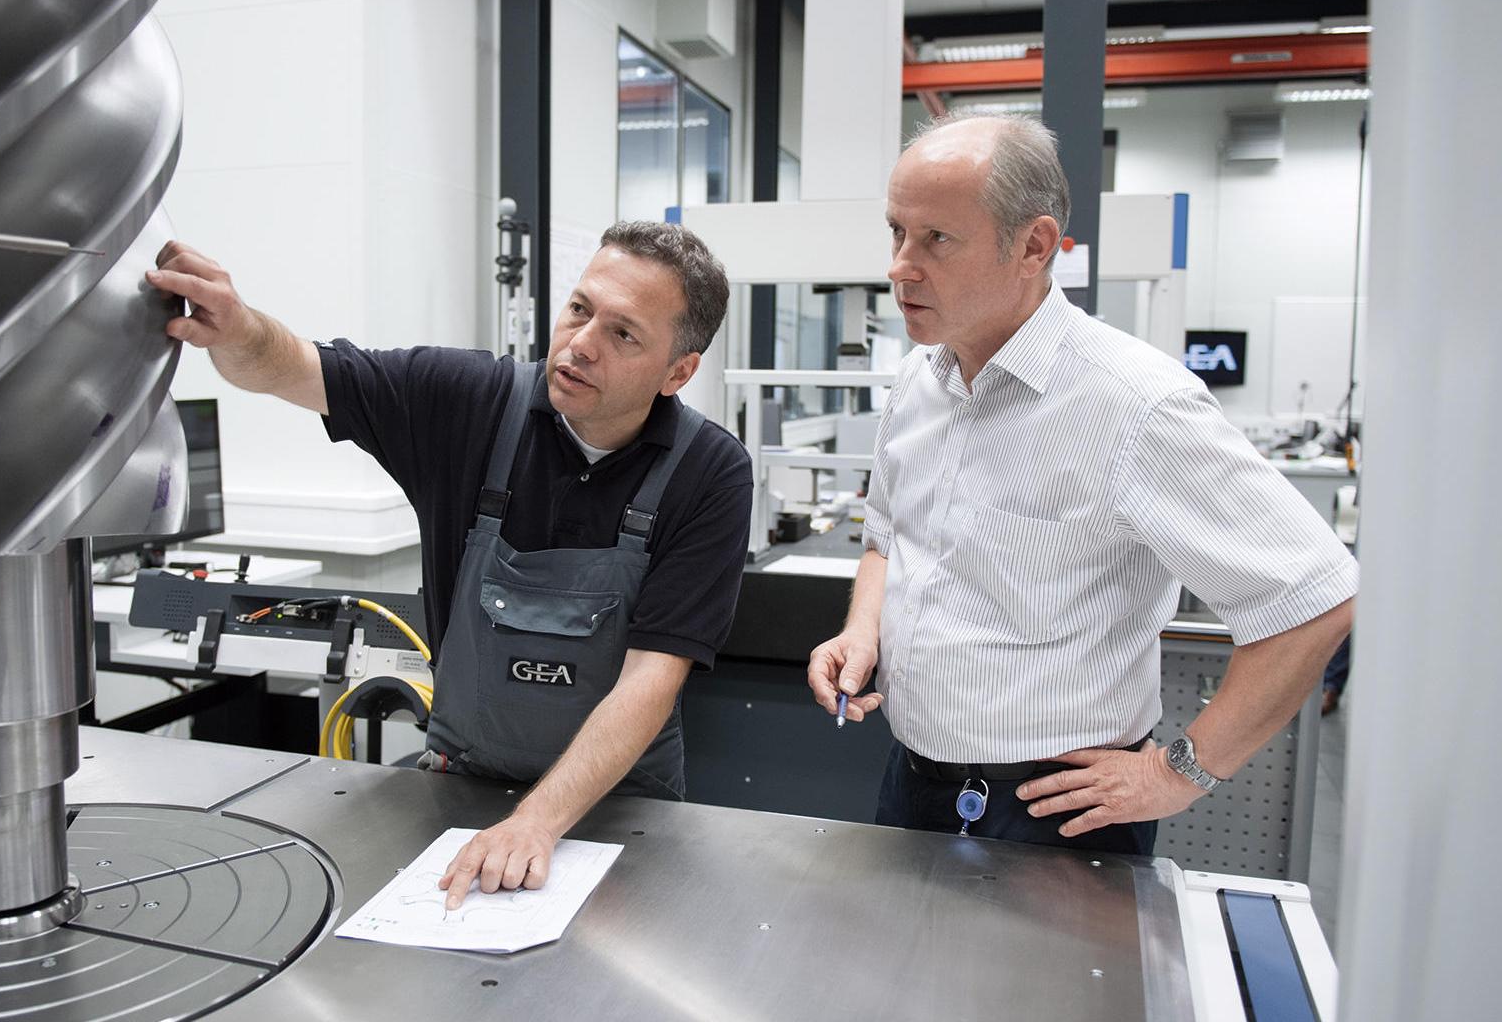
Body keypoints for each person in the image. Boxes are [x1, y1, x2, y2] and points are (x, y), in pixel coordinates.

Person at [148, 222, 751, 903]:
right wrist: (235, 329)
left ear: (679, 370)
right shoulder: (466, 403)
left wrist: (534, 824)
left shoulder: (710, 473)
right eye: (580, 310)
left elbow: (651, 679)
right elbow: (291, 366)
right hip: (459, 787)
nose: (580, 345)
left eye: (623, 334)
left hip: (624, 807)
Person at [807, 113, 1356, 854]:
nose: (901, 265)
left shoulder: (1133, 404)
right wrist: (860, 629)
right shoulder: (918, 381)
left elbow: (1314, 595)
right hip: (914, 781)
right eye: (897, 232)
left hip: (1053, 814)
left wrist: (1178, 772)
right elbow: (886, 536)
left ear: (1032, 246)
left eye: (937, 239)